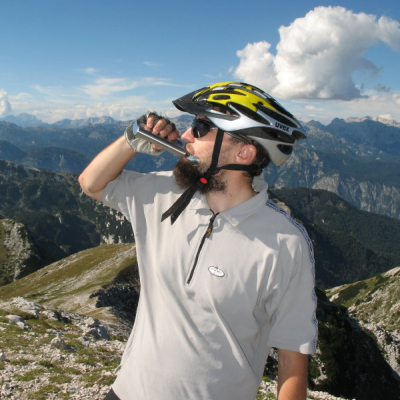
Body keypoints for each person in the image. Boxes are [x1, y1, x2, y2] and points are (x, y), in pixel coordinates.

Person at [78, 81, 318, 400]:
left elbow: (292, 354)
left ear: (244, 153)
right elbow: (91, 184)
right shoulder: (163, 193)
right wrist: (131, 139)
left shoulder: (284, 241)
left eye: (201, 127)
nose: (186, 135)